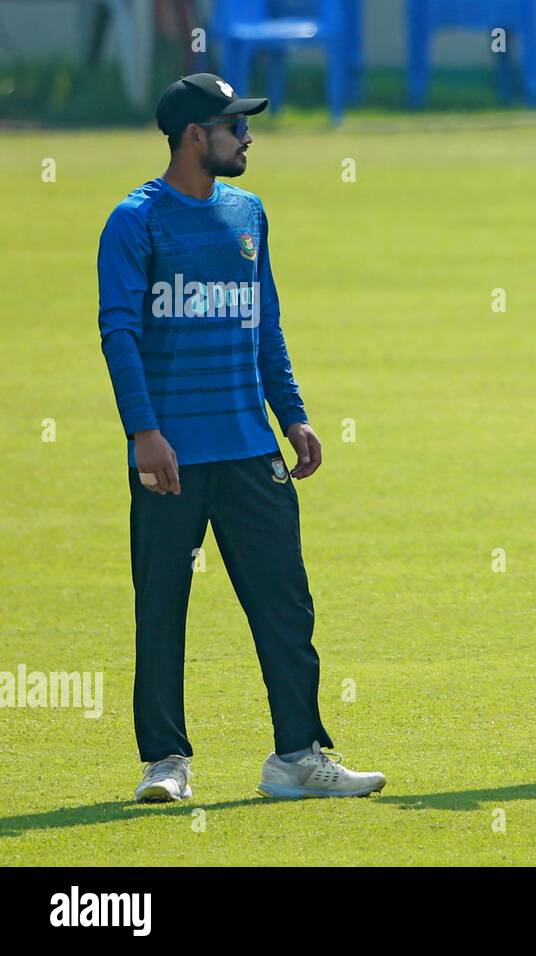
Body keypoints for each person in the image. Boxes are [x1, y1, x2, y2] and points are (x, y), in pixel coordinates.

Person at [97, 73, 386, 802]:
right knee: (161, 607)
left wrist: (292, 414)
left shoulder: (249, 213)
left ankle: (297, 755)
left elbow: (266, 326)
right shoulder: (134, 222)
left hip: (251, 450)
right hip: (171, 456)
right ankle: (165, 763)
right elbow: (119, 332)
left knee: (285, 605)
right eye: (235, 125)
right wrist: (144, 432)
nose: (248, 136)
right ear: (195, 135)